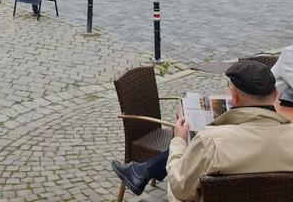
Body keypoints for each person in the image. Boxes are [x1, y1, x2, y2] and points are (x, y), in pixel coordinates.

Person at [111, 60, 293, 201]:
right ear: (276, 95)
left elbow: (180, 188)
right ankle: (142, 171)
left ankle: (142, 171)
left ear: (234, 97)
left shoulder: (210, 142)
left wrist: (178, 140)